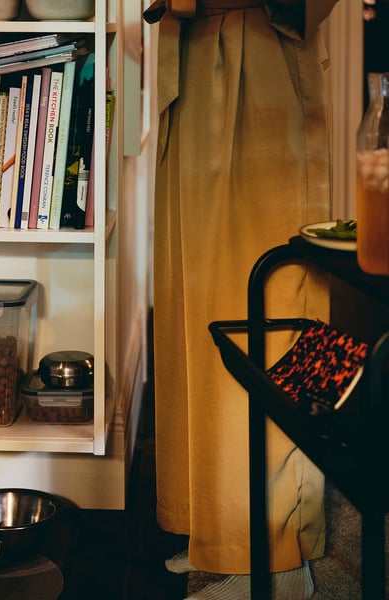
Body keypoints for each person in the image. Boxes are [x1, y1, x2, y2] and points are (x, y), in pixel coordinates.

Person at [144, 0, 340, 598]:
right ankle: (208, 521)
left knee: (271, 301)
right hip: (191, 55)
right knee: (193, 294)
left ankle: (272, 549)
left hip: (261, 45)